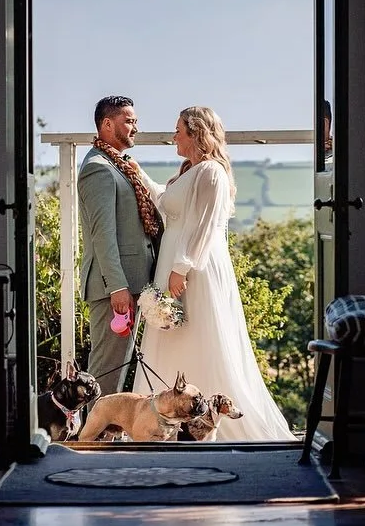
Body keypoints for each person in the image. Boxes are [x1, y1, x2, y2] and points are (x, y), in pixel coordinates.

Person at [131, 106, 297, 442]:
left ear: (196, 133)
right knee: (174, 338)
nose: (173, 137)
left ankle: (209, 422)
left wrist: (181, 268)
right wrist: (139, 173)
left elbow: (204, 227)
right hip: (175, 265)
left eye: (178, 130)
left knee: (200, 336)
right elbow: (167, 202)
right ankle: (168, 421)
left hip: (195, 270)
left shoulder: (211, 172)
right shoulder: (192, 171)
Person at [78, 95, 161, 398]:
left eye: (135, 121)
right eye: (129, 121)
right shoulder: (97, 168)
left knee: (117, 369)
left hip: (131, 283)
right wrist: (117, 286)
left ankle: (107, 426)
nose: (135, 128)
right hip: (115, 288)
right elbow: (103, 234)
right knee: (106, 372)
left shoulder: (118, 164)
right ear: (107, 124)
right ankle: (95, 428)